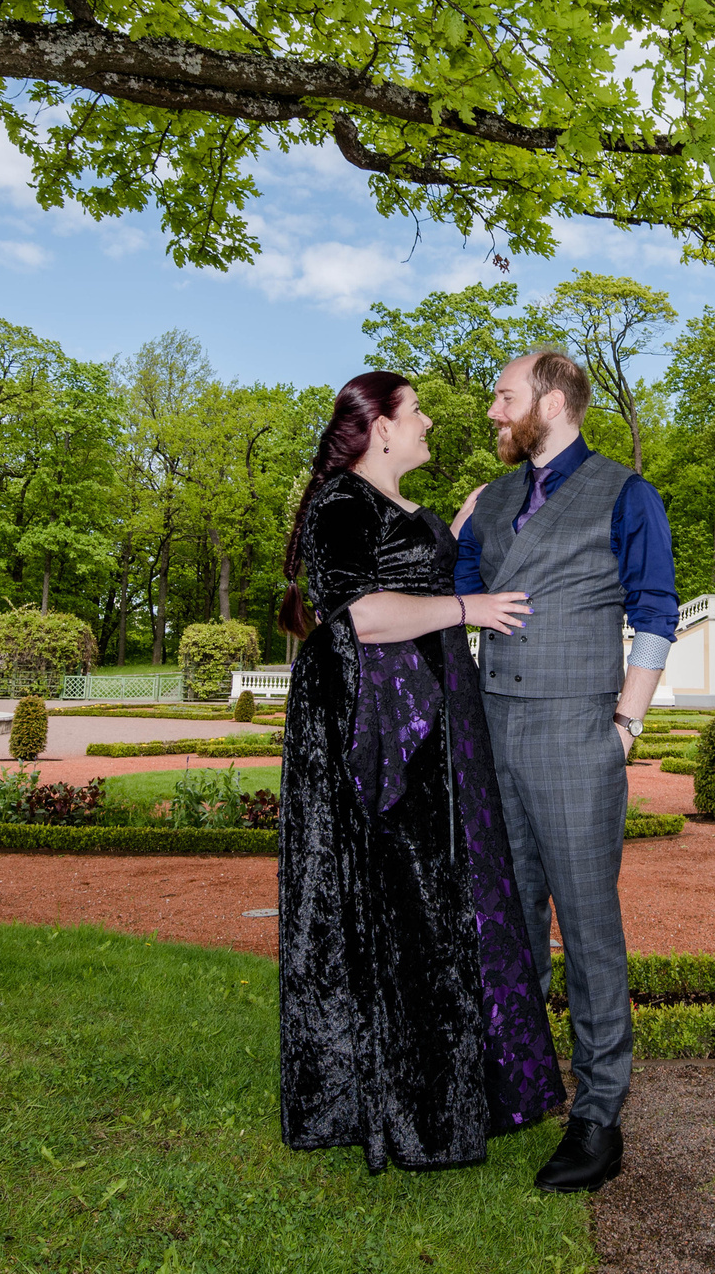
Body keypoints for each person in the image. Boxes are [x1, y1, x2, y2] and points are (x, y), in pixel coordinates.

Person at [275, 371, 565, 1174]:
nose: (431, 418)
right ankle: (410, 1103)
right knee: (403, 906)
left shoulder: (405, 506)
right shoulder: (339, 504)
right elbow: (361, 614)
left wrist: (460, 527)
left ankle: (459, 1086)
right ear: (381, 429)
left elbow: (420, 571)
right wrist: (472, 608)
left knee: (452, 903)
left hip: (433, 730)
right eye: (416, 410)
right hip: (381, 740)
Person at [451, 349, 677, 1194]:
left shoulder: (627, 493)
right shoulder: (496, 497)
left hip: (578, 732)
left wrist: (625, 722)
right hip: (493, 728)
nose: (491, 413)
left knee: (586, 928)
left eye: (502, 396)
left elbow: (657, 609)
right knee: (506, 919)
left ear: (551, 399)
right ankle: (516, 1079)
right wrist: (457, 528)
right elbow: (453, 590)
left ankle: (598, 1114)